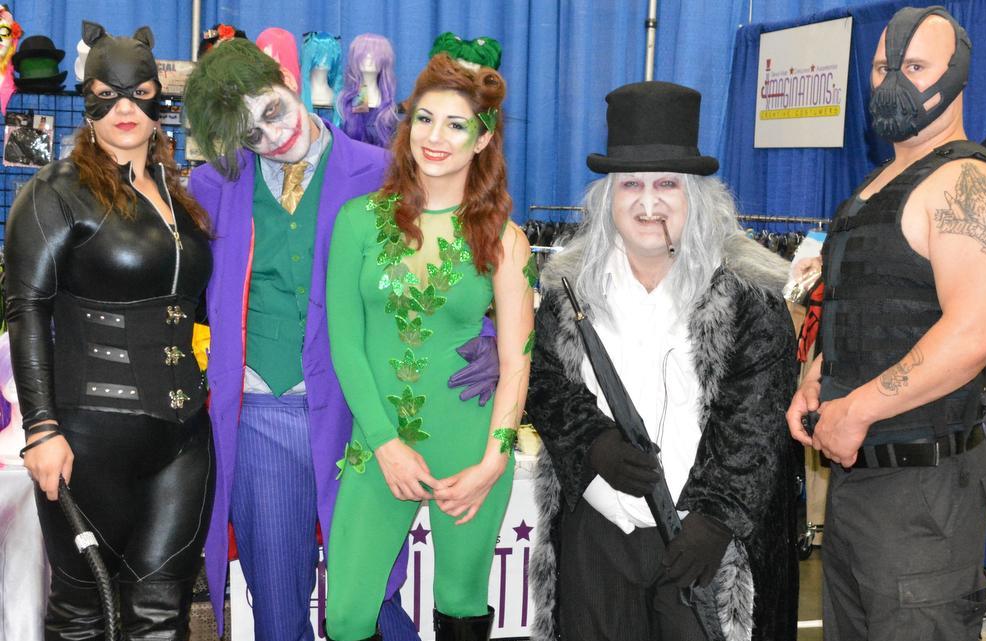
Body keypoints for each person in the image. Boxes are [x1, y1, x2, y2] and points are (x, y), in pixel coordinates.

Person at [527, 80, 801, 641]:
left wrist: (715, 518)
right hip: (597, 538)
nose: (648, 204)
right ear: (608, 197)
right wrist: (593, 443)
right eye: (631, 184)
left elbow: (756, 421)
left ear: (695, 196)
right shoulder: (568, 291)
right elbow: (544, 383)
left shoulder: (748, 295)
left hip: (699, 545)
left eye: (666, 185)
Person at [784, 7, 986, 641]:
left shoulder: (970, 184)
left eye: (914, 68)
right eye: (883, 68)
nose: (893, 84)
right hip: (860, 483)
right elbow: (856, 309)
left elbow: (974, 333)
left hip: (926, 493)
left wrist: (856, 410)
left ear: (957, 75)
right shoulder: (872, 189)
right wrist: (816, 380)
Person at [182, 39, 415, 641]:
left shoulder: (383, 173)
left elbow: (442, 271)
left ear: (288, 78)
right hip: (260, 413)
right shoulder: (212, 186)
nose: (272, 136)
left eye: (274, 111)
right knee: (280, 613)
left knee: (371, 600)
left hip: (359, 413)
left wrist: (487, 335)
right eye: (251, 134)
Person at [4, 21, 214, 640]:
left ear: (160, 99)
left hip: (183, 439)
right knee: (84, 611)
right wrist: (41, 429)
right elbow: (27, 310)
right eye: (106, 92)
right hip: (88, 437)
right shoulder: (54, 193)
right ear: (87, 99)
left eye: (138, 92)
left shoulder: (179, 197)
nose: (124, 108)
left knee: (161, 610)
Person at [323, 33, 532, 641]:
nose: (435, 137)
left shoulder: (507, 241)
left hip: (470, 450)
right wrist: (386, 443)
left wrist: (495, 461)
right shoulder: (358, 222)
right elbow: (346, 344)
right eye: (425, 119)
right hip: (376, 446)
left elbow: (517, 362)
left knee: (462, 600)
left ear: (484, 139)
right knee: (348, 613)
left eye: (456, 125)